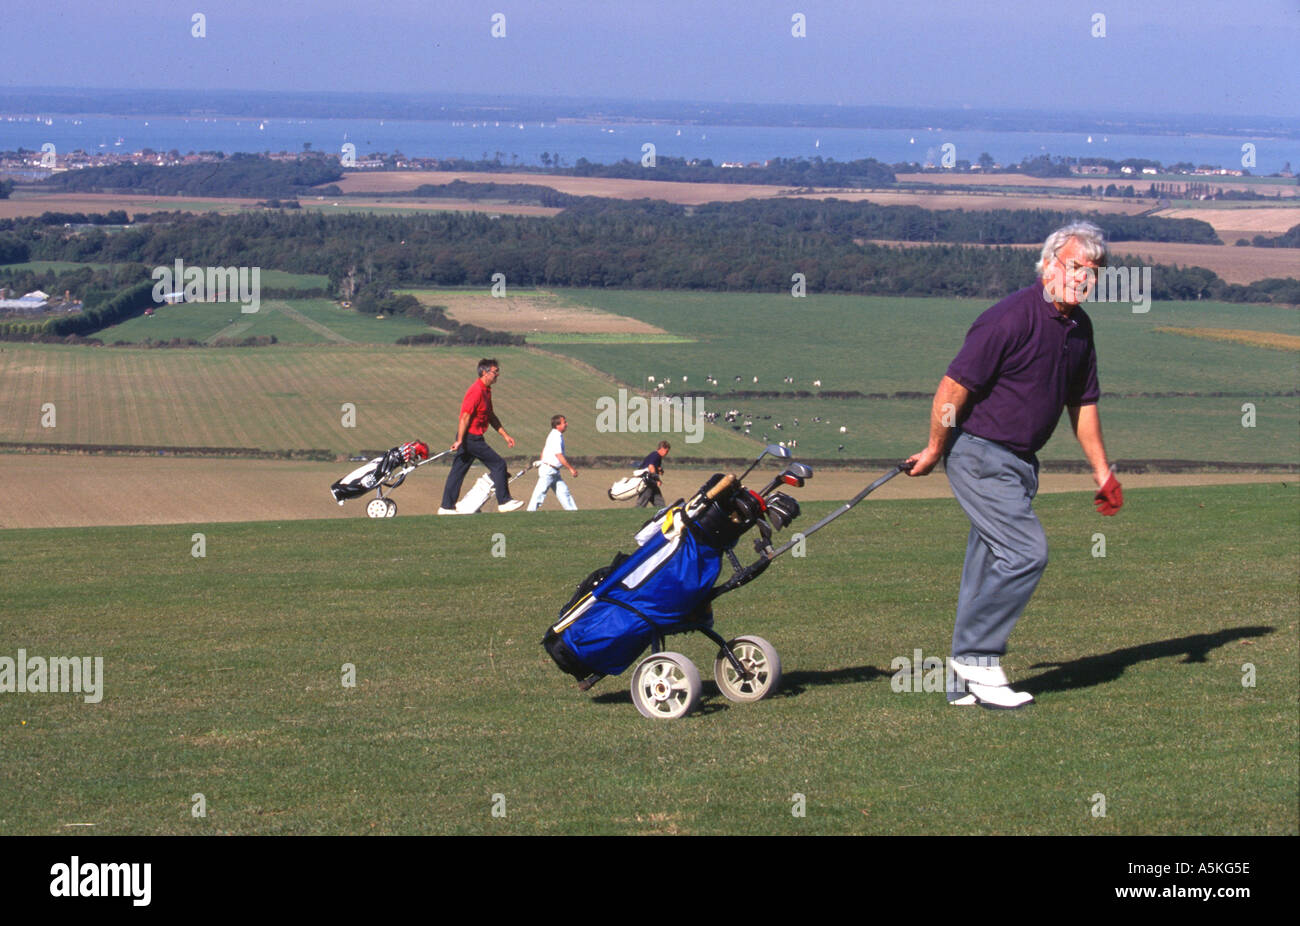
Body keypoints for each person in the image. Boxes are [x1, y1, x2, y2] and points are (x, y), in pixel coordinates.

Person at [905, 220, 1123, 709]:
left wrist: (1102, 472)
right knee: (1026, 553)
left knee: (985, 566)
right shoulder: (1008, 318)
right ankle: (979, 659)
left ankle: (961, 683)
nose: (1082, 278)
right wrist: (936, 448)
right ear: (1048, 265)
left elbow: (1082, 405)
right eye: (1074, 266)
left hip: (1021, 464)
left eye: (1092, 271)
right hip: (979, 455)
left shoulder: (1080, 329)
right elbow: (952, 389)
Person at [439, 358, 525, 514]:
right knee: (499, 465)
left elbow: (490, 416)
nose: (498, 374)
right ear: (485, 373)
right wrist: (459, 440)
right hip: (471, 438)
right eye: (495, 371)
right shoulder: (476, 390)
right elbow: (465, 416)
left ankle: (446, 507)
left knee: (458, 472)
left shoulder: (486, 390)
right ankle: (504, 501)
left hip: (470, 437)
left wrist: (505, 435)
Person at [528, 414, 579, 511]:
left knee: (564, 492)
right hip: (549, 470)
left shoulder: (554, 435)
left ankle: (573, 511)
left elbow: (545, 449)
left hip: (553, 471)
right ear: (557, 425)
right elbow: (559, 455)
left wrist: (541, 461)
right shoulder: (556, 436)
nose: (566, 424)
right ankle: (530, 512)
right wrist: (571, 469)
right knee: (540, 493)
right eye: (564, 422)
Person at [635, 441, 671, 508]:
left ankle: (661, 512)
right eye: (666, 451)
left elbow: (655, 467)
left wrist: (659, 470)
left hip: (651, 482)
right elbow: (651, 466)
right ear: (662, 448)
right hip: (647, 482)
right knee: (642, 503)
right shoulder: (656, 455)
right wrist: (656, 479)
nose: (667, 453)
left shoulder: (657, 457)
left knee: (660, 504)